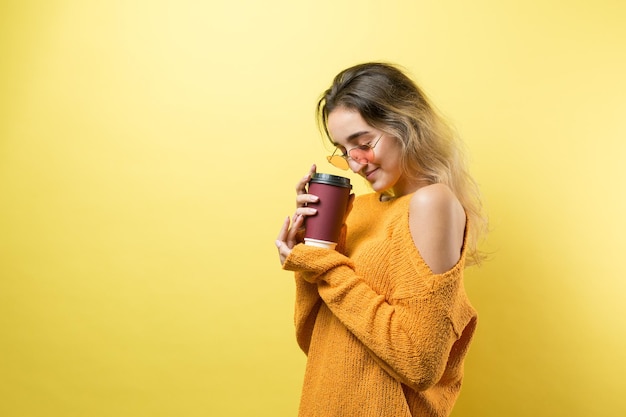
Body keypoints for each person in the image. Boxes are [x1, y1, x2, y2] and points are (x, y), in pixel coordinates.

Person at [275, 62, 487, 417]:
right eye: (344, 150)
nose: (355, 164)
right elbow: (317, 342)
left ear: (406, 123)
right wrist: (311, 250)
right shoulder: (360, 210)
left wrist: (324, 266)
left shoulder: (432, 203)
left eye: (363, 143)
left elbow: (419, 362)